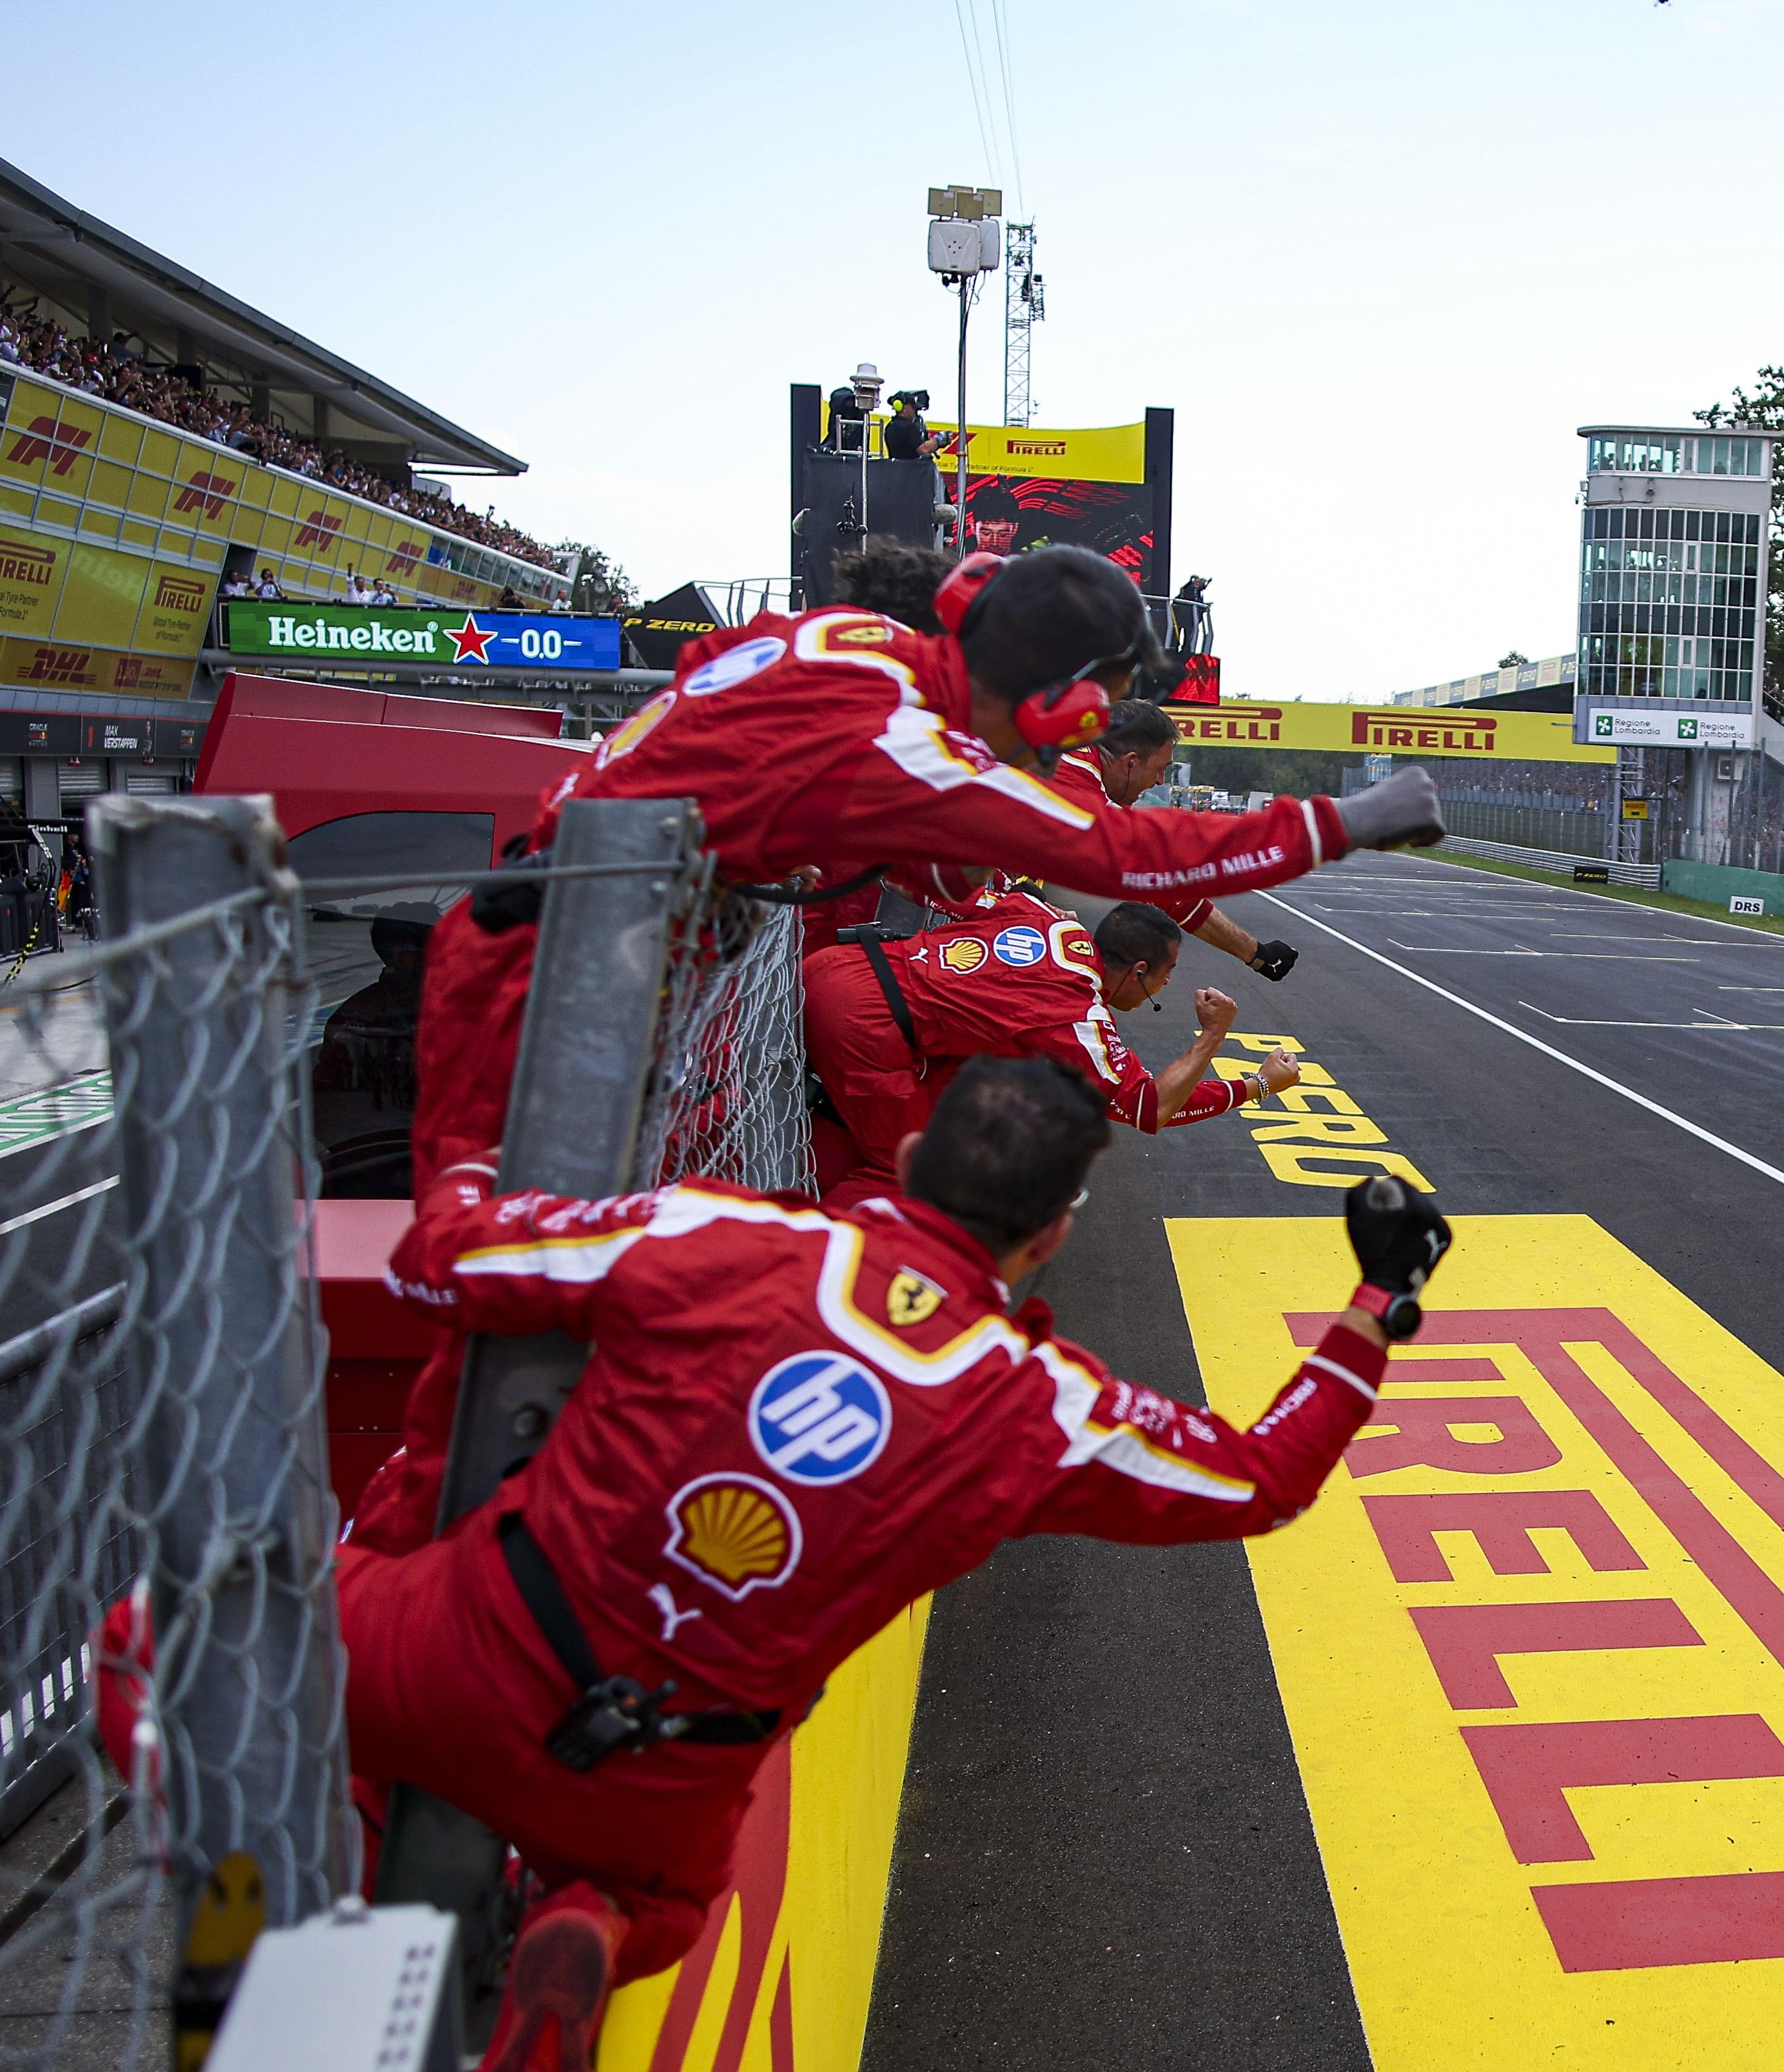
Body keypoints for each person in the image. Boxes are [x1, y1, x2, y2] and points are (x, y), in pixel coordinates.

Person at [340, 1059, 1455, 2072]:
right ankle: (591, 1916)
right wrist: (1376, 1300)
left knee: (232, 1638)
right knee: (669, 1904)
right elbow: (1261, 1478)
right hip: (660, 1766)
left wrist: (468, 1169)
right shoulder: (1039, 1408)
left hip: (465, 1635)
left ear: (914, 1153)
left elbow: (440, 1263)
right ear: (1049, 1236)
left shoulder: (724, 1232)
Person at [352, 545, 1439, 1552]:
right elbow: (1122, 860)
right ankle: (408, 1547)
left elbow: (722, 699)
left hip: (586, 948)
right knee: (481, 1305)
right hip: (566, 989)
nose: (1049, 758)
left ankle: (419, 1551)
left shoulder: (848, 645)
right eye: (1064, 735)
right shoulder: (921, 756)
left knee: (520, 1268)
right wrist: (1351, 821)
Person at [799, 890, 1307, 1197]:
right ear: (1138, 971)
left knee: (954, 1100)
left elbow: (951, 893)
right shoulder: (1077, 1016)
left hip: (838, 965)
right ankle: (818, 1292)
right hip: (864, 1027)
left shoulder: (1042, 912)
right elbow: (1149, 1108)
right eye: (1168, 975)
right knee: (911, 1176)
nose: (1170, 986)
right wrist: (1235, 1059)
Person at [1050, 699, 1298, 981]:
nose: (1159, 781)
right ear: (1131, 762)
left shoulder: (1072, 758)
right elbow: (1165, 881)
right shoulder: (1078, 782)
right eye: (1160, 769)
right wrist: (1257, 954)